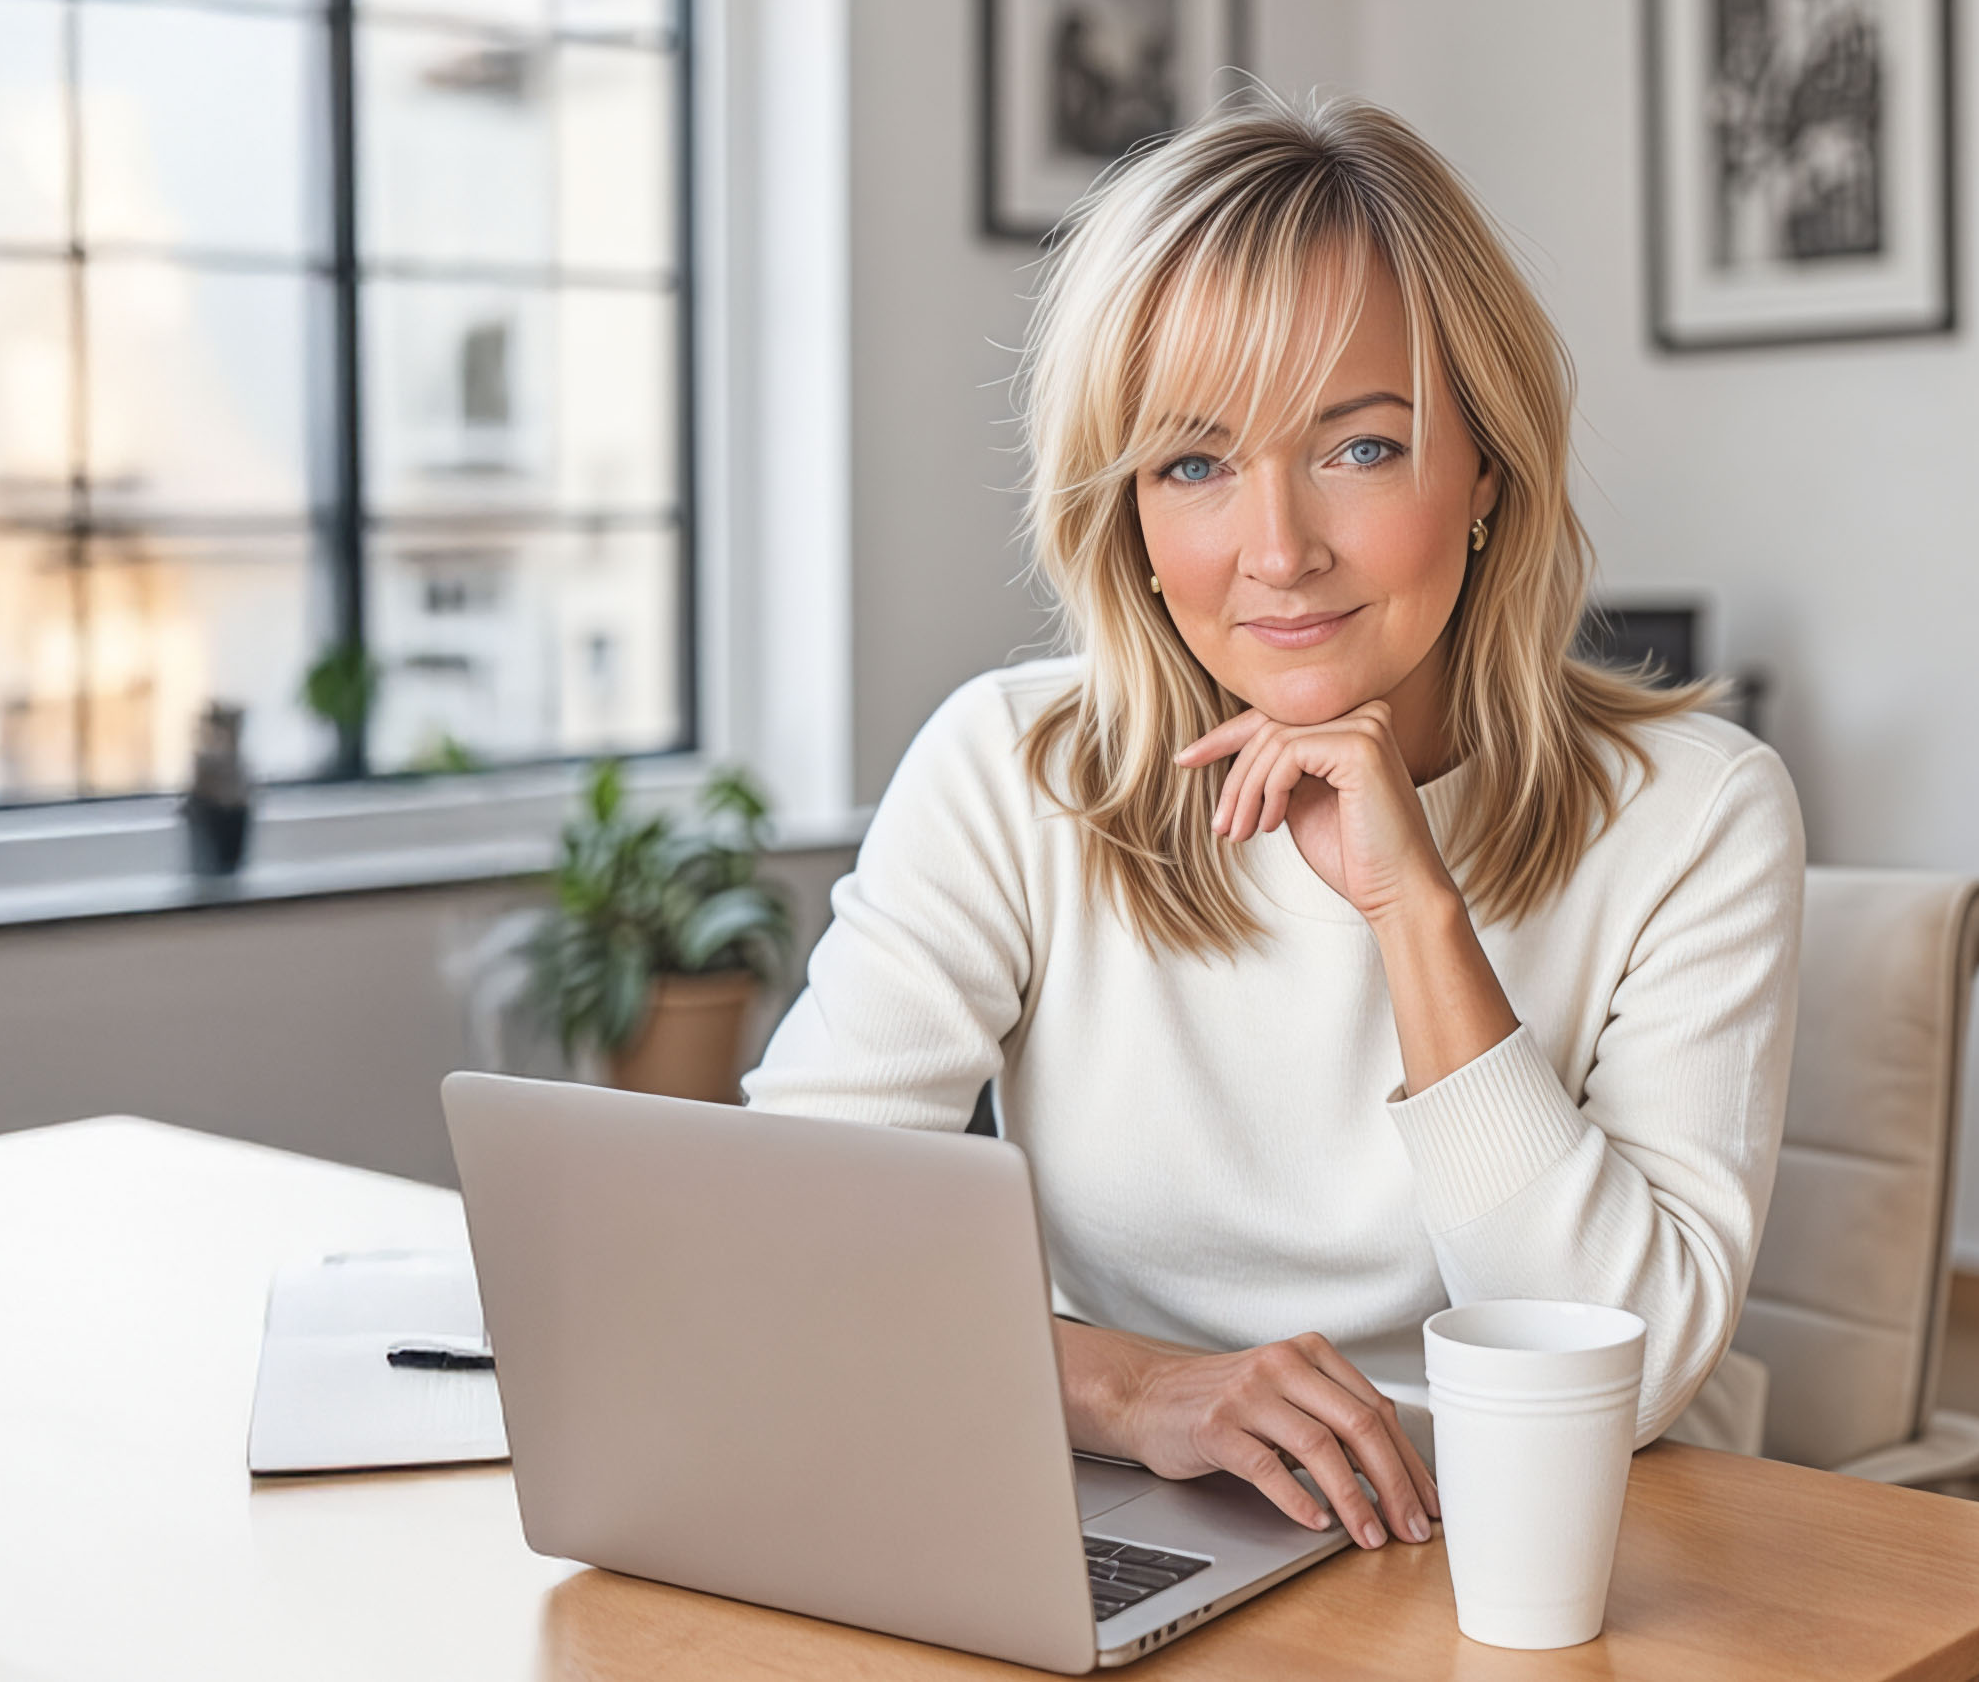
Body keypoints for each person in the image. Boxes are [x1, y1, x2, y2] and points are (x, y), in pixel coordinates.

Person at [741, 93, 1804, 1555]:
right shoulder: (1013, 768)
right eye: (1192, 465)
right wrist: (1131, 1394)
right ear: (1125, 514)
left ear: (1486, 470)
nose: (1279, 549)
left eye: (1358, 448)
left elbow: (1621, 1370)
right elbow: (787, 1241)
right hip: (1130, 1509)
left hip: (1552, 1541)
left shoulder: (1698, 814)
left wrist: (1414, 915)